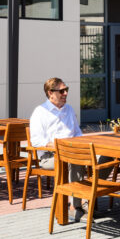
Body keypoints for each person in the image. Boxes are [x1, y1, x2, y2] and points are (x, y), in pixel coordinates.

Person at [29, 77, 88, 220]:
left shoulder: (69, 109)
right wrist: (57, 145)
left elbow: (77, 133)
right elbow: (36, 140)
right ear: (50, 93)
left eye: (66, 90)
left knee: (103, 159)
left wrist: (83, 145)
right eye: (62, 91)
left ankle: (89, 198)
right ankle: (75, 206)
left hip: (72, 151)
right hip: (50, 157)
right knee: (74, 162)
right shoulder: (40, 112)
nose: (66, 93)